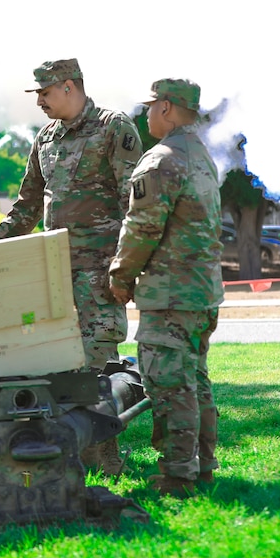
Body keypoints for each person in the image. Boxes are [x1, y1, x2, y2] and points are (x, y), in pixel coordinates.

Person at [0, 59, 142, 474]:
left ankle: (102, 457)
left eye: (44, 92)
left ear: (69, 86)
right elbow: (26, 207)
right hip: (54, 276)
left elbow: (136, 203)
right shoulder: (46, 138)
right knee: (59, 364)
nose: (38, 101)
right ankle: (67, 452)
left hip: (101, 274)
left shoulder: (114, 128)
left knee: (94, 364)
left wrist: (126, 267)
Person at [108, 79, 222, 497]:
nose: (147, 114)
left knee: (168, 384)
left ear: (169, 109)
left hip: (171, 295)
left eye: (152, 107)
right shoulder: (202, 155)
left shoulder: (161, 160)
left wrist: (120, 276)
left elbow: (141, 229)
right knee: (194, 381)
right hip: (201, 292)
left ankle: (178, 476)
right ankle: (203, 465)